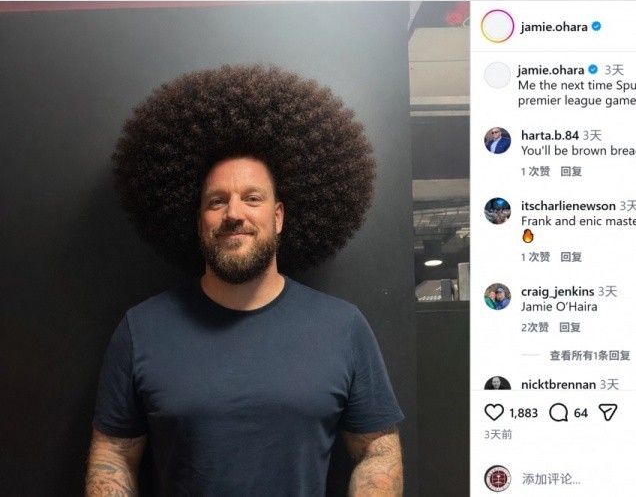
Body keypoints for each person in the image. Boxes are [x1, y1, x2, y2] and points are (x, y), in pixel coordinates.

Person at [86, 66, 404, 496]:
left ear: (278, 216)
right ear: (199, 220)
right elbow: (113, 457)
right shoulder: (141, 330)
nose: (234, 213)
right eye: (217, 201)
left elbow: (378, 450)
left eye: (252, 198)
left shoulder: (343, 327)